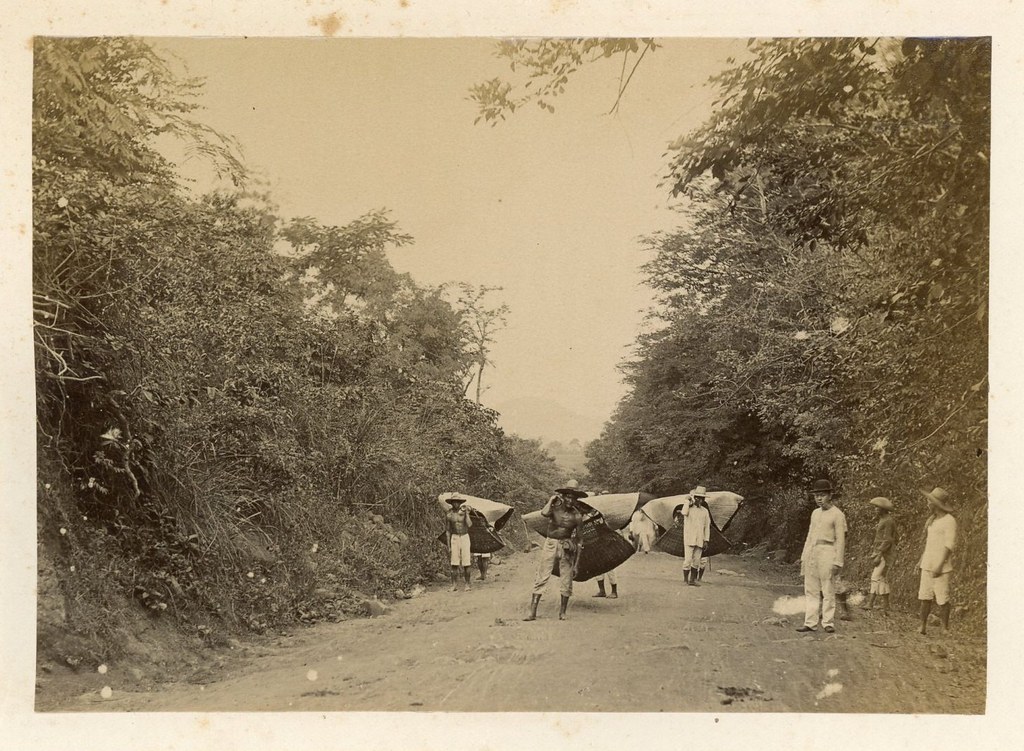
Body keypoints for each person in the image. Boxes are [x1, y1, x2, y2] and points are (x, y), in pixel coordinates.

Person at [524, 482, 585, 621]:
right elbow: (544, 513)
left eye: (573, 498)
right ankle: (532, 612)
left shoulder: (577, 516)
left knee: (566, 579)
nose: (570, 500)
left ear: (577, 499)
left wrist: (577, 563)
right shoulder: (554, 508)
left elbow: (580, 540)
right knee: (542, 575)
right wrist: (551, 500)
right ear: (562, 497)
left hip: (566, 545)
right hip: (550, 543)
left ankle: (562, 612)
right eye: (568, 497)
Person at [796, 479, 847, 633]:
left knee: (827, 588)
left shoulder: (837, 515)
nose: (819, 498)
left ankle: (828, 622)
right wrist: (804, 556)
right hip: (813, 552)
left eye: (822, 495)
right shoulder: (815, 513)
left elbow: (841, 540)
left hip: (828, 551)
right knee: (811, 589)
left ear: (830, 495)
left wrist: (838, 562)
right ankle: (810, 622)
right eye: (816, 495)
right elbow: (810, 536)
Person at [917, 487, 957, 635]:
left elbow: (949, 545)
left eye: (930, 501)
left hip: (941, 566)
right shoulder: (932, 521)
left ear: (936, 504)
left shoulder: (949, 521)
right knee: (925, 596)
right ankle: (922, 626)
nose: (928, 503)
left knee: (942, 598)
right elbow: (929, 544)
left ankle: (945, 628)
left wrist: (940, 565)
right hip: (927, 563)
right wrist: (921, 560)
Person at [863, 496, 896, 613]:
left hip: (884, 553)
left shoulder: (888, 521)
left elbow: (888, 540)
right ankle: (886, 605)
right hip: (881, 551)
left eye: (877, 508)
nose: (875, 510)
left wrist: (879, 554)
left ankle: (870, 603)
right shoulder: (884, 520)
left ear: (883, 509)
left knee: (875, 577)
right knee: (882, 578)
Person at [682, 486, 711, 586]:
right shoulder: (688, 509)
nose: (700, 500)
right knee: (687, 560)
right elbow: (683, 512)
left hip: (700, 539)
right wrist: (687, 501)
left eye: (702, 498)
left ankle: (692, 580)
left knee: (696, 561)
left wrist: (706, 540)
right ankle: (686, 579)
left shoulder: (705, 511)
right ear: (695, 498)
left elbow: (707, 527)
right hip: (689, 538)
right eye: (698, 498)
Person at [444, 496, 474, 592]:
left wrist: (467, 514)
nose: (456, 504)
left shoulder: (464, 512)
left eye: (458, 502)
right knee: (454, 562)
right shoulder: (449, 515)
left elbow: (469, 525)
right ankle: (454, 585)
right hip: (455, 537)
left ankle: (467, 584)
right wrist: (448, 546)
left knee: (466, 562)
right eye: (454, 502)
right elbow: (448, 531)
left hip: (465, 536)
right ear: (451, 503)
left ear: (460, 503)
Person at [593, 528, 629, 598]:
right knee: (598, 567)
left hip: (609, 545)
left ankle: (614, 592)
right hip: (598, 544)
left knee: (610, 568)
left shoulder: (610, 522)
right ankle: (602, 591)